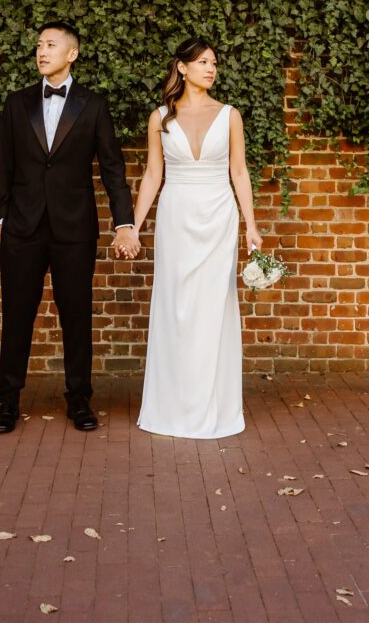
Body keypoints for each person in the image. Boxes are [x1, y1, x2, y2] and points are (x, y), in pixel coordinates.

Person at [0, 21, 140, 434]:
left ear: (71, 54)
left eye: (51, 45)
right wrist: (3, 216)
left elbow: (112, 168)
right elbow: (4, 164)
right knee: (16, 316)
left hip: (75, 229)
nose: (42, 51)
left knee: (76, 316)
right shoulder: (16, 103)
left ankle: (79, 400)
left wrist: (124, 223)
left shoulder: (94, 105)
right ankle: (7, 401)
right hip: (22, 228)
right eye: (39, 45)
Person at [132, 37, 263, 439]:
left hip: (218, 218)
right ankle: (172, 406)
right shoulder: (160, 117)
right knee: (175, 308)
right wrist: (133, 226)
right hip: (175, 218)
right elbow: (153, 174)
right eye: (203, 62)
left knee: (211, 310)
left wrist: (252, 225)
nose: (211, 69)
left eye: (214, 63)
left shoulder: (229, 115)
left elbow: (239, 172)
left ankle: (213, 406)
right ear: (182, 67)